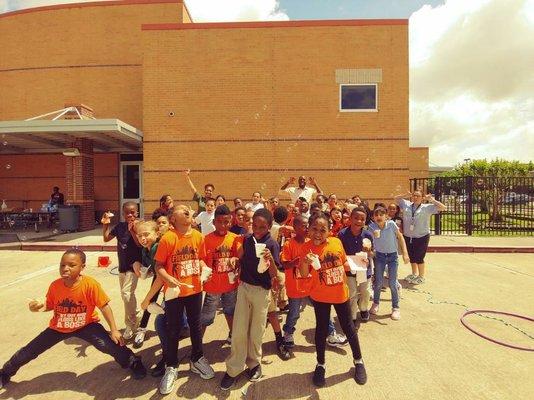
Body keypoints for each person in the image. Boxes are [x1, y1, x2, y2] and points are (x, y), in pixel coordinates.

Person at [0, 248, 147, 390]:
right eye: (62, 265)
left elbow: (104, 306)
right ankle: (4, 373)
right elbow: (50, 305)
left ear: (82, 267)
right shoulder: (55, 286)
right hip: (59, 327)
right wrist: (38, 307)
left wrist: (114, 330)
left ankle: (132, 361)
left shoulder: (90, 284)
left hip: (87, 325)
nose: (65, 268)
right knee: (29, 350)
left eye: (72, 265)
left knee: (108, 344)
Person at [298, 212, 367, 387]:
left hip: (340, 295)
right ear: (309, 229)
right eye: (314, 229)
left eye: (323, 229)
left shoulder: (336, 242)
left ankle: (358, 361)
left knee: (349, 328)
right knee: (321, 331)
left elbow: (344, 263)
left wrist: (360, 261)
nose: (318, 233)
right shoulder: (305, 248)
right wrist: (306, 262)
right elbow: (304, 274)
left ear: (329, 231)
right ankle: (320, 364)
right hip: (319, 296)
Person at [153, 205, 215, 395]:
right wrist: (168, 278)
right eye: (182, 209)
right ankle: (171, 366)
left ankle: (197, 359)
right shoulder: (168, 239)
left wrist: (205, 270)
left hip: (195, 290)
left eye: (188, 209)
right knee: (173, 328)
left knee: (196, 326)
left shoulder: (197, 236)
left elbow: (201, 259)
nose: (187, 210)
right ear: (173, 219)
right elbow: (158, 266)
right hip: (174, 293)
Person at [220, 209, 282, 390]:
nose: (258, 230)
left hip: (262, 292)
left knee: (256, 331)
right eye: (255, 225)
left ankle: (254, 363)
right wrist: (234, 261)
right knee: (239, 330)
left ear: (269, 227)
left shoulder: (271, 244)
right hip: (245, 288)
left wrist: (270, 261)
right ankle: (234, 369)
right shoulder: (247, 240)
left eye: (262, 227)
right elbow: (241, 259)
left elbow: (275, 275)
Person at [102, 202, 142, 340]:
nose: (130, 215)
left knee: (126, 294)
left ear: (137, 212)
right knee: (127, 297)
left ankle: (131, 325)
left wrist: (132, 230)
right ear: (123, 213)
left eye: (132, 212)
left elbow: (139, 244)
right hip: (122, 267)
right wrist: (105, 224)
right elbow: (106, 238)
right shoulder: (119, 226)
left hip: (134, 266)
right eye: (127, 213)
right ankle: (136, 318)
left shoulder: (139, 226)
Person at [199, 205, 239, 344]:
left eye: (226, 222)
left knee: (230, 312)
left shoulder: (235, 238)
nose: (223, 225)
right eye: (220, 222)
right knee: (206, 317)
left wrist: (236, 259)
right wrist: (203, 268)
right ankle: (198, 345)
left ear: (231, 221)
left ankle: (233, 335)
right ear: (214, 222)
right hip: (212, 287)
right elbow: (200, 259)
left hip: (231, 286)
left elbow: (240, 257)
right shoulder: (206, 239)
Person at [395, 190, 446, 285]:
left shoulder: (427, 207)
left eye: (418, 196)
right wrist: (405, 195)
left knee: (419, 257)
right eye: (414, 195)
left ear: (422, 198)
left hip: (422, 236)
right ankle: (414, 274)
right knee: (411, 256)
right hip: (408, 236)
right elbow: (396, 198)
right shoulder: (406, 204)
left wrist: (432, 200)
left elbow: (443, 207)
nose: (415, 197)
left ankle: (421, 276)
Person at [368, 207, 410, 320]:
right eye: (376, 215)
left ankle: (395, 308)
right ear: (373, 217)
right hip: (380, 256)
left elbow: (400, 237)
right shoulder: (372, 227)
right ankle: (375, 303)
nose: (378, 217)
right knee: (378, 282)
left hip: (392, 256)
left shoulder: (391, 224)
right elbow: (367, 242)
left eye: (381, 214)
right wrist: (371, 250)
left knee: (392, 283)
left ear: (386, 216)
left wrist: (405, 253)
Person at [338, 207, 374, 323]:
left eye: (362, 219)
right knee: (352, 292)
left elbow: (372, 253)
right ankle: (352, 316)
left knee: (366, 291)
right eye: (356, 218)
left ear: (365, 221)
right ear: (350, 218)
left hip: (364, 268)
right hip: (349, 268)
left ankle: (363, 308)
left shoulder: (368, 234)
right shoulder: (342, 234)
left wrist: (368, 254)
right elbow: (340, 253)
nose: (359, 221)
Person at [131, 220, 160, 348]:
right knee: (151, 303)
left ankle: (142, 329)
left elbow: (160, 276)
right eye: (140, 236)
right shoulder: (145, 250)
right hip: (159, 278)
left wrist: (146, 299)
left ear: (156, 234)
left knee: (149, 303)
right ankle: (142, 329)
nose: (143, 238)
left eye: (146, 234)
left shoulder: (156, 247)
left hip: (168, 280)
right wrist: (138, 266)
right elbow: (152, 270)